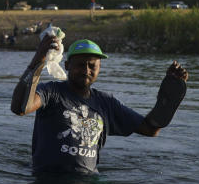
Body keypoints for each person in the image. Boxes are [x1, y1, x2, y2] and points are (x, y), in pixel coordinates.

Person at [11, 36, 188, 175]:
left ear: (99, 68)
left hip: (87, 183)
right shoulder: (51, 92)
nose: (86, 70)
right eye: (80, 65)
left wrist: (167, 98)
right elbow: (20, 107)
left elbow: (151, 129)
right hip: (47, 179)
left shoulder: (106, 103)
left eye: (92, 66)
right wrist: (38, 60)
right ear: (67, 66)